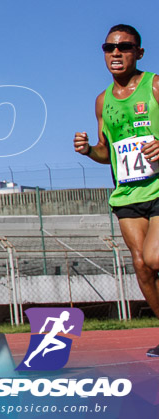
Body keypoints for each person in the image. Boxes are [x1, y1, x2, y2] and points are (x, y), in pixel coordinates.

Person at [74, 24, 159, 358]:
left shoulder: (154, 85)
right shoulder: (102, 101)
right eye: (109, 47)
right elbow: (106, 151)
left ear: (138, 53)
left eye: (124, 47)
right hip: (127, 193)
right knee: (141, 265)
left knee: (154, 256)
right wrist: (87, 151)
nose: (116, 53)